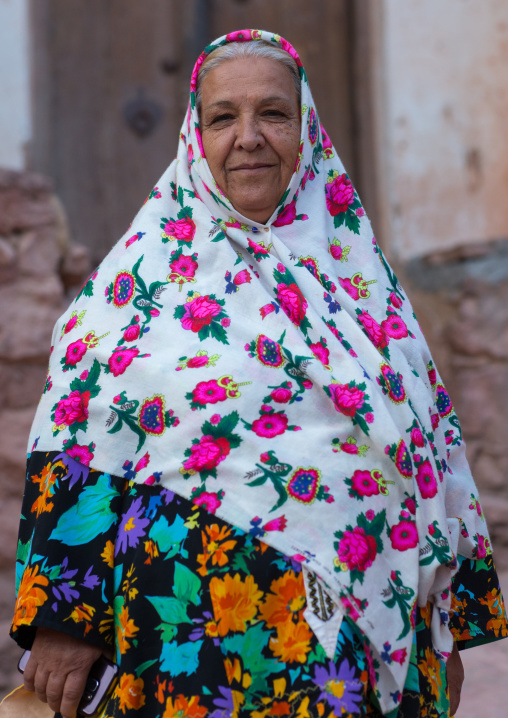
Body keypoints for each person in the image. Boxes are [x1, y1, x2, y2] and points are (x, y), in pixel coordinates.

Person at [10, 29, 508, 718]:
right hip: (186, 646)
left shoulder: (363, 290)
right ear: (195, 134)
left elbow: (435, 454)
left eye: (273, 113)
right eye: (224, 116)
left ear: (306, 133)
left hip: (355, 657)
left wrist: (449, 626)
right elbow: (76, 446)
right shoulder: (130, 291)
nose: (248, 136)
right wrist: (64, 620)